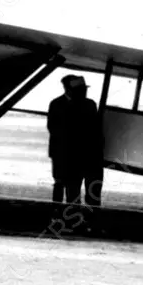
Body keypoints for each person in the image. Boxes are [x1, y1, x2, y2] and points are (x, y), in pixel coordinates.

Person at [47, 74, 103, 207]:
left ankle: (64, 215)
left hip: (74, 156)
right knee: (65, 187)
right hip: (66, 155)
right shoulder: (59, 104)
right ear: (68, 89)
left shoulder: (87, 104)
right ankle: (59, 212)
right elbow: (54, 129)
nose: (84, 92)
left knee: (72, 190)